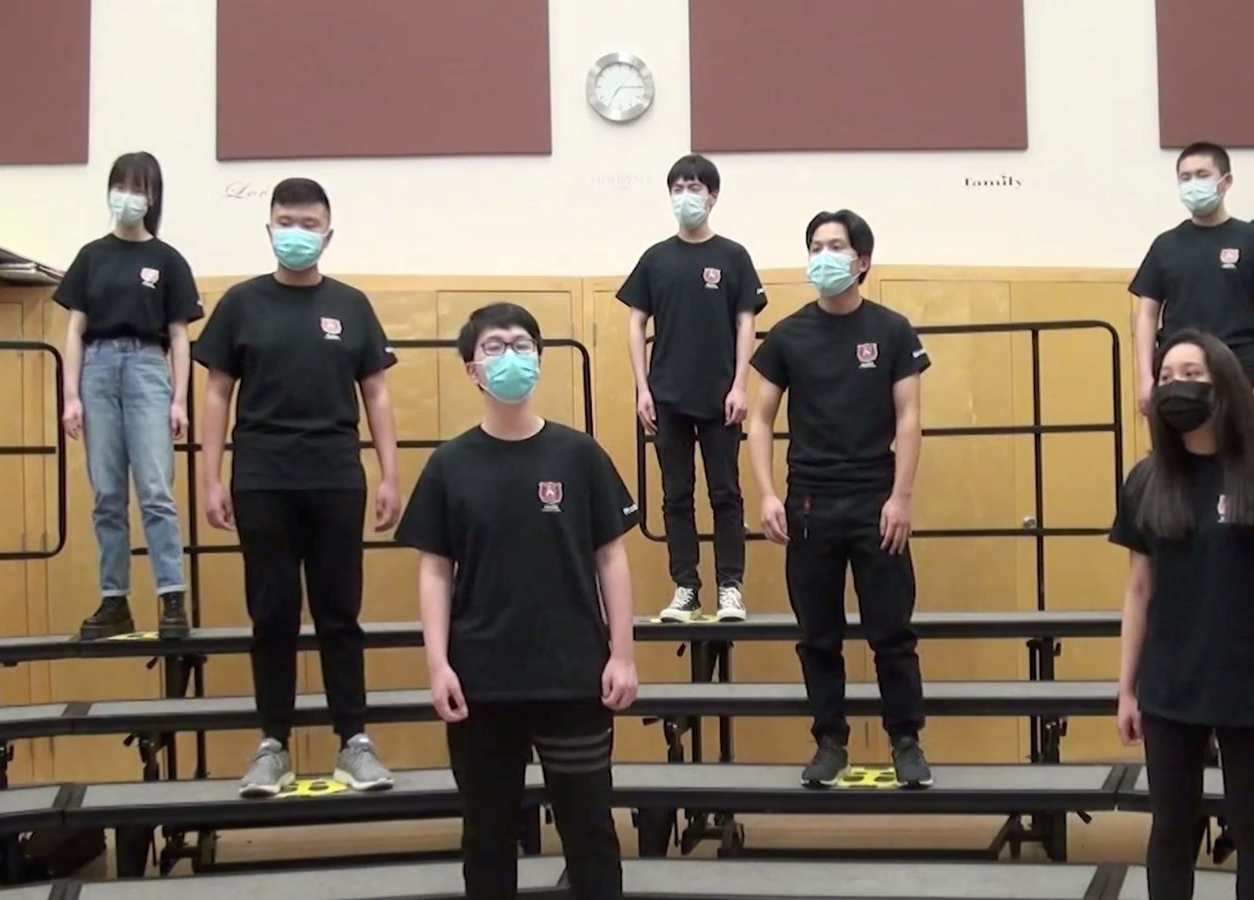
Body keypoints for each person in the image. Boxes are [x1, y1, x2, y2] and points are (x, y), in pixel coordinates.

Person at [395, 302, 638, 900]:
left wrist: (623, 655)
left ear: (539, 359)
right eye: (495, 346)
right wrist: (437, 665)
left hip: (574, 678)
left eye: (522, 344)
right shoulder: (449, 465)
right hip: (482, 682)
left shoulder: (579, 455)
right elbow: (435, 571)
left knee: (589, 831)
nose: (511, 356)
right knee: (487, 835)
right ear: (472, 369)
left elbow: (611, 558)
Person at [193, 177, 401, 798]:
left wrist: (390, 474)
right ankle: (272, 746)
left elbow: (377, 393)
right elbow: (216, 393)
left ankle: (354, 742)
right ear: (269, 228)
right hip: (261, 477)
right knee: (272, 616)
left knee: (340, 614)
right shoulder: (241, 303)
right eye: (286, 222)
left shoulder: (352, 305)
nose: (297, 234)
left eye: (309, 224)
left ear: (328, 234)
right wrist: (210, 477)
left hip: (336, 476)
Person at [1112, 330, 1254, 900]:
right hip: (1170, 683)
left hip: (1250, 682)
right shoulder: (1147, 479)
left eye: (1192, 374)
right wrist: (1126, 689)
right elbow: (1138, 588)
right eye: (1166, 376)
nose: (1176, 386)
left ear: (1224, 384)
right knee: (1171, 825)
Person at [749, 209, 933, 789]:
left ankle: (907, 742)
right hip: (808, 504)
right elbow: (759, 419)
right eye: (815, 246)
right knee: (818, 636)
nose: (823, 256)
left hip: (877, 502)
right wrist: (766, 494)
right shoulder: (787, 335)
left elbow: (909, 417)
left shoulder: (893, 330)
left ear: (862, 261)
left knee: (892, 634)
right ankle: (830, 743)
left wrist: (901, 497)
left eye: (835, 246)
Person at [55, 151, 203, 641]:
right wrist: (71, 396)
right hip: (97, 369)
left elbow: (179, 336)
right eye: (120, 186)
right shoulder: (91, 256)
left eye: (138, 188)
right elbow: (75, 330)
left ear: (153, 197)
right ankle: (114, 599)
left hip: (146, 368)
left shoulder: (167, 260)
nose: (127, 197)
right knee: (107, 493)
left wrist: (177, 400)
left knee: (156, 490)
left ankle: (171, 596)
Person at [619, 154, 766, 623]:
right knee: (675, 496)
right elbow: (635, 322)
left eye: (694, 187)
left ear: (713, 196)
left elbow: (746, 322)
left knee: (726, 494)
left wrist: (740, 385)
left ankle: (729, 588)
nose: (686, 196)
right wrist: (642, 389)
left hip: (721, 397)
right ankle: (686, 587)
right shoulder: (656, 258)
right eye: (678, 188)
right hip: (667, 396)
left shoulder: (733, 256)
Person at [1130, 142, 1254, 417]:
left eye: (1202, 175)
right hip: (1178, 368)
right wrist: (1146, 378)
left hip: (1239, 365)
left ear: (1225, 181)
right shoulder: (1165, 245)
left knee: (1241, 443)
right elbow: (1147, 315)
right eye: (1185, 177)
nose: (1193, 184)